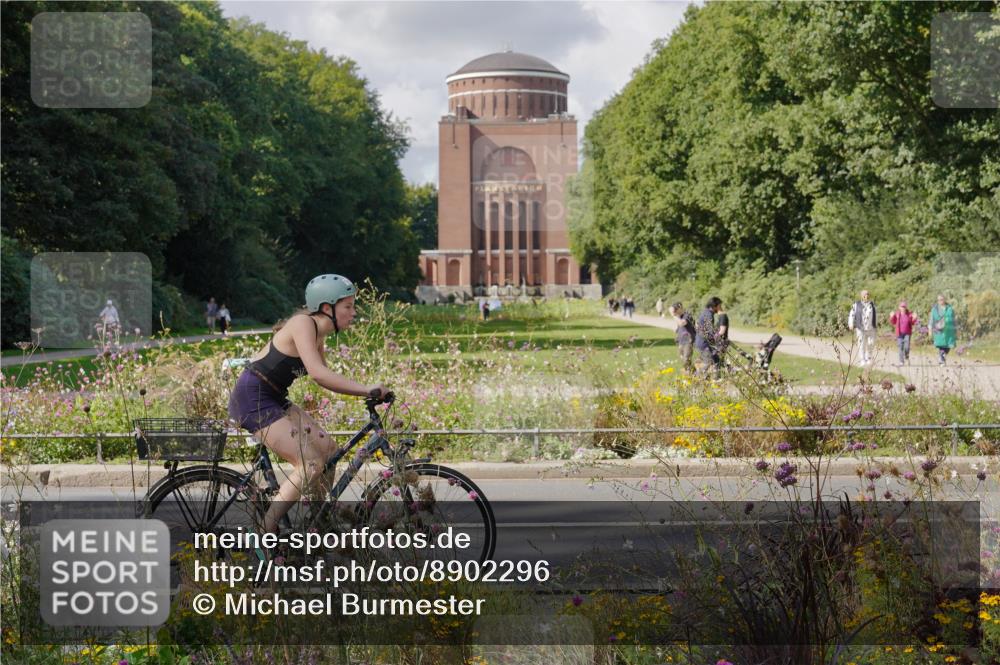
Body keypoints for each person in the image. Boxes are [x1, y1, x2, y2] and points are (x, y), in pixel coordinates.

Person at [228, 274, 388, 533]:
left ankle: (317, 522)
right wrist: (366, 389)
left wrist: (365, 390)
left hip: (273, 397)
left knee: (329, 451)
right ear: (327, 308)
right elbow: (318, 373)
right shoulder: (303, 323)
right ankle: (264, 532)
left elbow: (326, 378)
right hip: (253, 399)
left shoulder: (318, 334)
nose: (354, 312)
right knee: (310, 464)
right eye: (348, 306)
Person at [694, 297, 723, 377]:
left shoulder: (705, 312)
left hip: (703, 342)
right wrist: (718, 339)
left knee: (716, 359)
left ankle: (717, 379)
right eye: (719, 306)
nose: (720, 308)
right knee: (708, 362)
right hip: (704, 343)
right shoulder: (709, 314)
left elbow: (698, 325)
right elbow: (710, 332)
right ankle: (695, 377)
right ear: (714, 306)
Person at [847, 290, 877, 367]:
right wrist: (851, 323)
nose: (866, 296)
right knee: (861, 345)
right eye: (864, 294)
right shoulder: (856, 305)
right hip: (861, 328)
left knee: (871, 343)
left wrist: (876, 325)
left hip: (871, 328)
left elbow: (875, 315)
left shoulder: (872, 304)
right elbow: (852, 314)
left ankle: (868, 357)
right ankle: (862, 360)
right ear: (861, 296)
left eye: (867, 294)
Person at [929, 294, 956, 365]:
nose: (940, 301)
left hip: (949, 331)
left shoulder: (950, 308)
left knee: (949, 345)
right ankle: (942, 359)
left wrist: (956, 328)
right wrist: (930, 330)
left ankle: (942, 356)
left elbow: (954, 319)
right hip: (939, 330)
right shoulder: (935, 309)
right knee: (941, 345)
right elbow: (931, 320)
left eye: (941, 299)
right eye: (938, 300)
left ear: (945, 299)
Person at [668, 302, 696, 372]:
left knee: (686, 359)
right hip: (681, 341)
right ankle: (694, 373)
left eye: (675, 310)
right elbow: (679, 328)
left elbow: (682, 323)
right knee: (683, 359)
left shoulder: (687, 315)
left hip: (688, 341)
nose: (675, 312)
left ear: (680, 308)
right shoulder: (679, 317)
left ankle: (690, 374)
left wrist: (673, 315)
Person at [889, 300, 918, 365]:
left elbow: (913, 322)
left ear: (906, 307)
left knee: (907, 347)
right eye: (902, 306)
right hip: (899, 334)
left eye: (904, 307)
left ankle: (906, 357)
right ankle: (901, 361)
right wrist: (891, 316)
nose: (903, 308)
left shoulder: (909, 314)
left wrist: (915, 318)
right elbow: (893, 322)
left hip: (907, 333)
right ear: (899, 307)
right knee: (900, 347)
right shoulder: (897, 314)